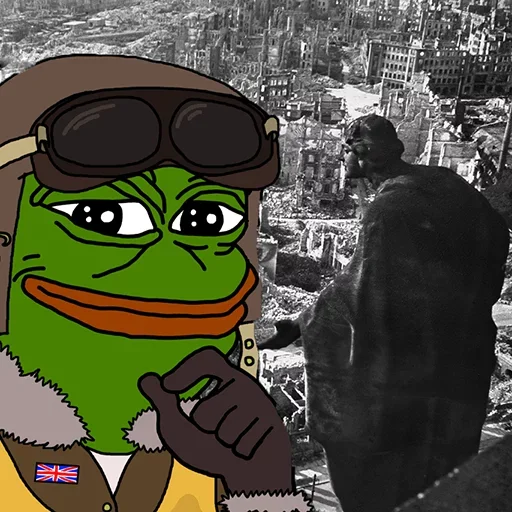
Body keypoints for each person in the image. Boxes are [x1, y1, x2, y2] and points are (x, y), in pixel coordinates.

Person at [0, 55, 313, 512]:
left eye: (207, 220)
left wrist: (262, 491)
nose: (175, 264)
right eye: (102, 218)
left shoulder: (220, 457)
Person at [260, 114, 510, 512]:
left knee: (382, 478)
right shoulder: (444, 181)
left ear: (362, 155)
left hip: (412, 377)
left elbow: (361, 294)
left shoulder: (389, 209)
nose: (341, 159)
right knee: (442, 477)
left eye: (345, 150)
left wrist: (301, 324)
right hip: (461, 360)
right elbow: (493, 232)